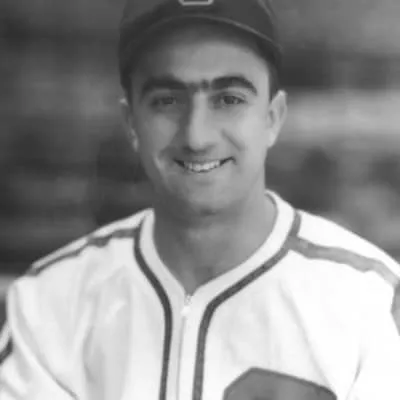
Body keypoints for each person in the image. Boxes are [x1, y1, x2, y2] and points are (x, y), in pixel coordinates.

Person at [1, 0, 400, 398]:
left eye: (229, 99)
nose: (197, 136)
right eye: (167, 100)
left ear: (273, 117)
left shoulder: (372, 304)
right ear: (131, 122)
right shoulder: (49, 303)